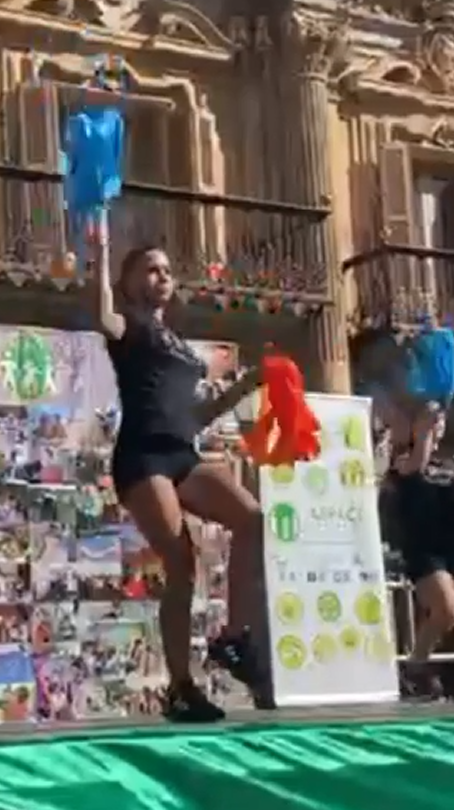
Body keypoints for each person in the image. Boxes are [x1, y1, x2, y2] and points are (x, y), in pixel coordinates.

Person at [93, 228, 269, 722]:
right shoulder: (128, 327)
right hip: (142, 457)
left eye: (168, 271)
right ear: (129, 282)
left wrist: (249, 385)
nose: (163, 277)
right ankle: (180, 686)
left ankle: (234, 639)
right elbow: (99, 313)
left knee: (251, 517)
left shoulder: (180, 346)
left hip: (180, 451)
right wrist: (103, 250)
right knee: (181, 561)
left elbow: (197, 416)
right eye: (151, 270)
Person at [385, 406, 454, 704]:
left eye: (442, 419)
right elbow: (416, 466)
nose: (439, 423)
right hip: (424, 545)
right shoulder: (402, 458)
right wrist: (422, 431)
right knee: (447, 611)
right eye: (434, 419)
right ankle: (415, 666)